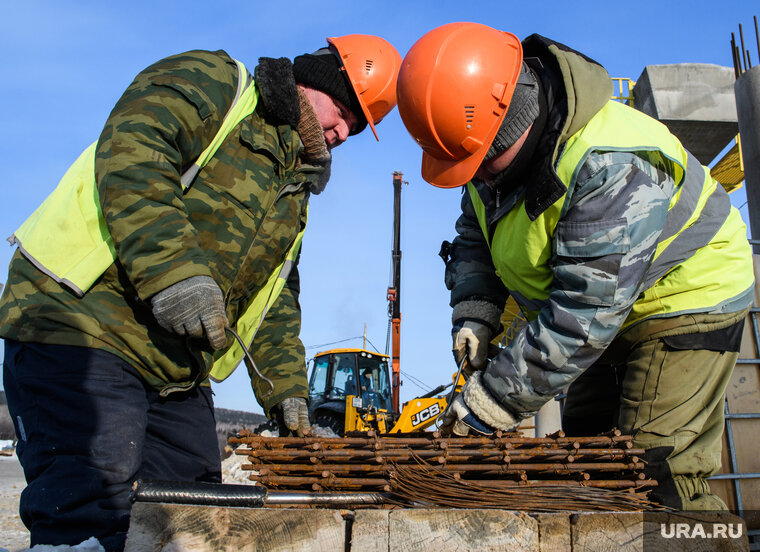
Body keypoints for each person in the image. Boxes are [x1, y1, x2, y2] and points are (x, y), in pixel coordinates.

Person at [0, 35, 401, 550]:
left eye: (358, 126)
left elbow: (274, 298)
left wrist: (288, 394)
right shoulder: (220, 85)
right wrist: (174, 273)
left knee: (193, 519)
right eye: (344, 110)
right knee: (92, 508)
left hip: (173, 367)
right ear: (312, 81)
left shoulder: (292, 192)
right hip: (80, 324)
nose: (344, 132)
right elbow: (134, 145)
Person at [396, 22, 753, 510]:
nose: (473, 174)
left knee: (649, 471)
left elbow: (585, 315)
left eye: (478, 158)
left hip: (684, 295)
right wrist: (475, 310)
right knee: (591, 457)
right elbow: (475, 233)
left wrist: (494, 400)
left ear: (512, 119)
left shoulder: (609, 163)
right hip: (596, 311)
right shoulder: (490, 162)